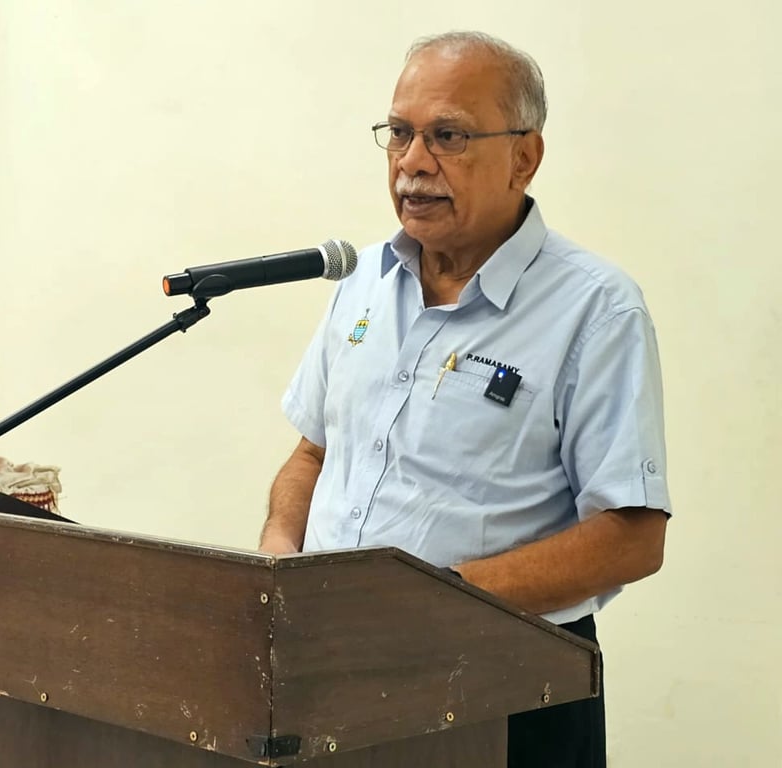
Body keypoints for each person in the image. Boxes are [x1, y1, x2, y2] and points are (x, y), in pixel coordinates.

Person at [258, 31, 670, 768]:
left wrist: (430, 602)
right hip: (330, 675)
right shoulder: (362, 282)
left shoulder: (596, 308)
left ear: (525, 156)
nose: (412, 162)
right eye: (400, 133)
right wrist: (277, 559)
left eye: (447, 136)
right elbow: (312, 452)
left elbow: (631, 536)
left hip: (501, 690)